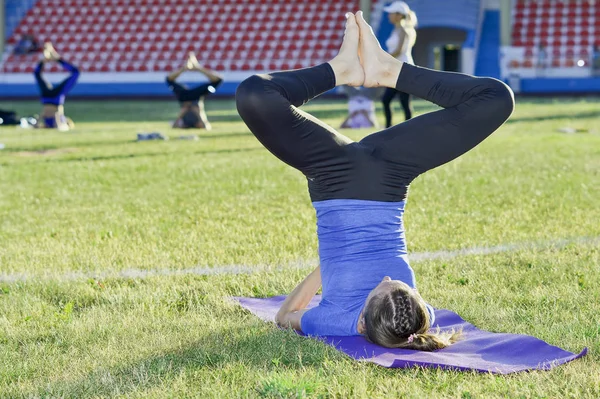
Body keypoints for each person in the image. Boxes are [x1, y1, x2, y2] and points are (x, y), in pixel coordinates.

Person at [236, 12, 514, 350]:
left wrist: (329, 267)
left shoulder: (336, 321)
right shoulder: (414, 315)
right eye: (398, 283)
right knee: (497, 99)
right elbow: (291, 317)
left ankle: (340, 70)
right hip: (391, 175)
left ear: (362, 321)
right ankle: (390, 71)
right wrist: (338, 265)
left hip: (332, 175)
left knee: (254, 94)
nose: (385, 277)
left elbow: (284, 318)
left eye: (381, 286)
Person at [381, 1, 417, 128]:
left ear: (399, 15)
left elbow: (398, 51)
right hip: (396, 70)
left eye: (391, 13)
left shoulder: (403, 30)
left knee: (403, 102)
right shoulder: (397, 30)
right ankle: (389, 127)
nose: (389, 15)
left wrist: (382, 59)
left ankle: (407, 128)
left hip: (403, 70)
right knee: (387, 100)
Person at [166, 52, 223, 130]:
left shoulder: (184, 118)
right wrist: (198, 111)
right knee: (218, 80)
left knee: (169, 80)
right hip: (196, 97)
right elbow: (206, 126)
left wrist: (183, 112)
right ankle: (197, 67)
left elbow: (174, 126)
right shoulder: (197, 116)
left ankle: (187, 68)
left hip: (184, 97)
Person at [34, 42, 79, 130]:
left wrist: (38, 121)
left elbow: (43, 117)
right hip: (54, 99)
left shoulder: (58, 121)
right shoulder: (62, 119)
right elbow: (57, 120)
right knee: (75, 73)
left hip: (51, 99)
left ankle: (48, 58)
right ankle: (54, 57)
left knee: (37, 74)